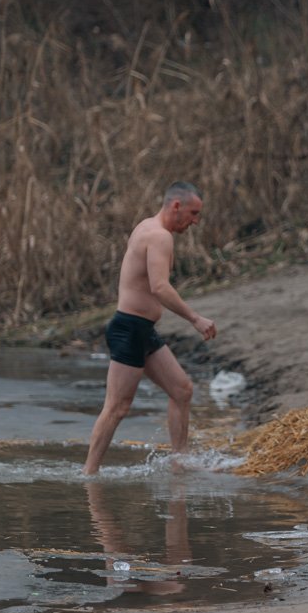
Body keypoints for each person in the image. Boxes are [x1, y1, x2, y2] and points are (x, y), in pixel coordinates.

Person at [83, 182, 218, 475]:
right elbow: (159, 287)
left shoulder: (147, 227)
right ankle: (89, 474)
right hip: (129, 329)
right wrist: (195, 318)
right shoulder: (159, 236)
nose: (195, 221)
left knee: (181, 390)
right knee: (117, 407)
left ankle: (179, 460)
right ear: (176, 206)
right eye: (193, 213)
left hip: (141, 330)